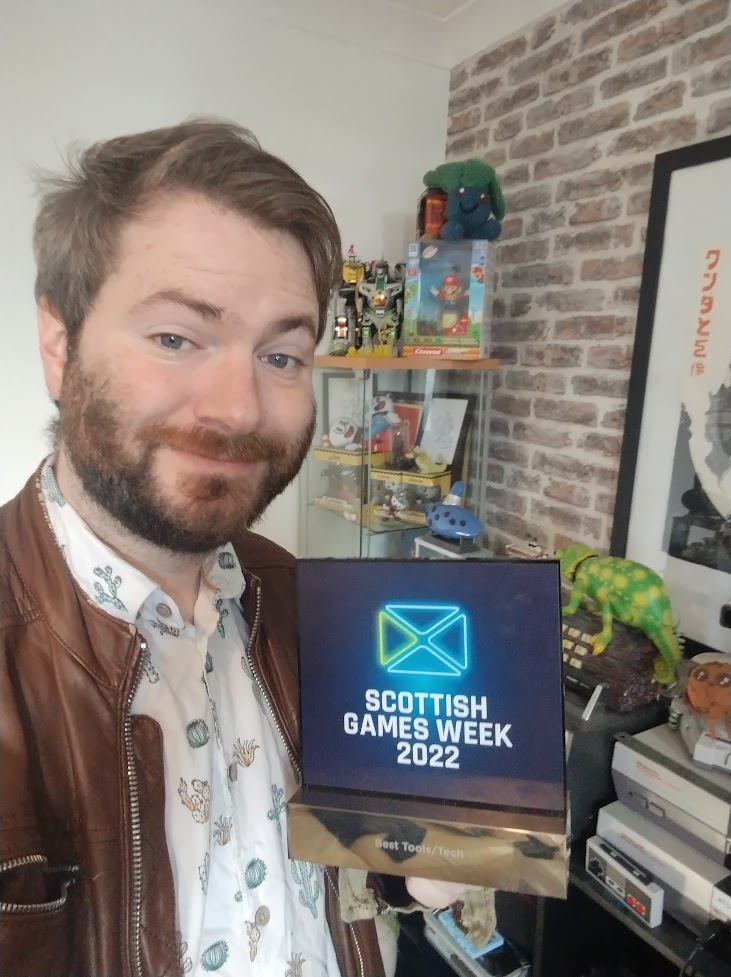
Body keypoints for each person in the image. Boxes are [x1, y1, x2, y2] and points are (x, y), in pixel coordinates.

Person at [0, 120, 493, 977]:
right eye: (176, 337)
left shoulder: (302, 599)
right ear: (59, 341)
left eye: (281, 353)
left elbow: (352, 869)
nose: (238, 408)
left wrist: (426, 869)